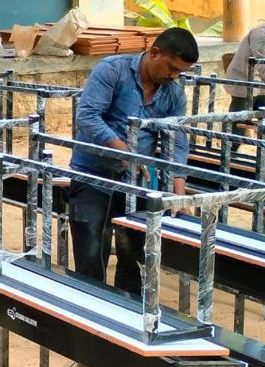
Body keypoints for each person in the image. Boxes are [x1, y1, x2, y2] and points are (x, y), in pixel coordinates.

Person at [68, 26, 198, 295]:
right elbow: (88, 116)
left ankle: (126, 322)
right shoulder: (112, 71)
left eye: (180, 73)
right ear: (154, 53)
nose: (174, 76)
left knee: (135, 258)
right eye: (171, 68)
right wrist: (123, 150)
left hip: (137, 182)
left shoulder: (173, 93)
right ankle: (90, 320)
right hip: (94, 176)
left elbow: (177, 139)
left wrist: (179, 189)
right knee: (91, 256)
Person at [224, 21, 265, 115]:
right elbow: (262, 63)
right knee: (239, 120)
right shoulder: (261, 34)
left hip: (261, 87)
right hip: (243, 83)